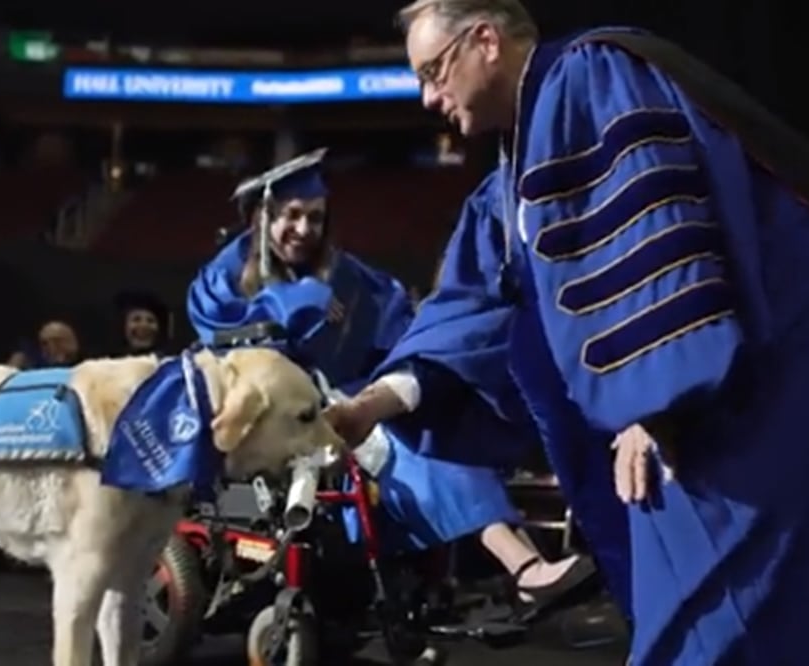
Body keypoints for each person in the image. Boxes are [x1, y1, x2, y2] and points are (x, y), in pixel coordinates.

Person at [326, 2, 809, 665]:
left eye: (433, 72)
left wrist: (653, 404)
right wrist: (368, 406)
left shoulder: (591, 77)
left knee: (762, 606)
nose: (428, 98)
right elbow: (472, 307)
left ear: (485, 41)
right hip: (711, 395)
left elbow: (652, 239)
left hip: (791, 364)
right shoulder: (511, 179)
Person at [187, 149, 594, 619]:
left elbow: (394, 325)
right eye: (291, 216)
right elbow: (230, 354)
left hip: (351, 398)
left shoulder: (347, 275)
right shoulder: (223, 279)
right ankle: (522, 566)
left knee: (431, 423)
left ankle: (491, 572)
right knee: (403, 445)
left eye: (315, 218)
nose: (304, 230)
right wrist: (300, 316)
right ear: (262, 217)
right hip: (278, 415)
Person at [115, 290, 170, 356]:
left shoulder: (167, 364)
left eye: (150, 320)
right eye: (136, 319)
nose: (144, 325)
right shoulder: (110, 363)